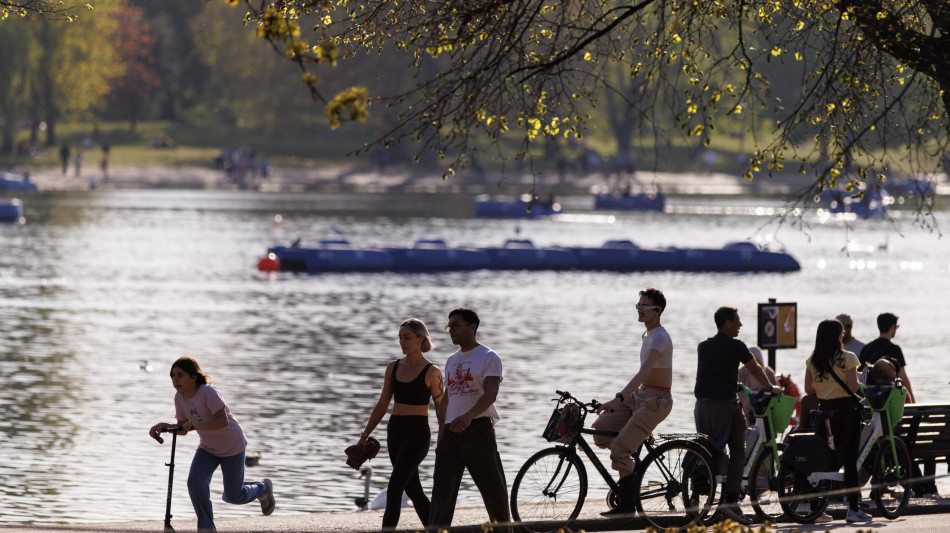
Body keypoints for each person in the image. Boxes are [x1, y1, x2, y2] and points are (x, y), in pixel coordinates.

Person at [149, 357, 275, 531]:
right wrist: (165, 426)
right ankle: (207, 528)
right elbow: (184, 428)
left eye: (180, 375)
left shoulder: (207, 392)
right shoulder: (179, 398)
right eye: (172, 376)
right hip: (208, 448)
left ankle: (263, 488)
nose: (175, 380)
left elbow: (221, 421)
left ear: (193, 377)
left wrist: (196, 425)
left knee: (233, 496)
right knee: (195, 483)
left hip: (232, 446)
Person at [592, 287, 673, 517]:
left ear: (657, 310)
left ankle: (627, 505)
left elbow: (644, 372)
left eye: (643, 307)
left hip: (656, 401)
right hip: (641, 396)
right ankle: (631, 468)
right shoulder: (647, 334)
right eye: (637, 306)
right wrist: (618, 403)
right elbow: (641, 379)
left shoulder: (660, 337)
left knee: (620, 449)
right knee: (600, 431)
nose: (639, 310)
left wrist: (617, 399)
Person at [694, 307, 780, 522]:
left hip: (702, 407)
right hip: (725, 406)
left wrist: (736, 383)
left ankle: (697, 488)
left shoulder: (703, 346)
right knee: (738, 452)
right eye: (737, 321)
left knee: (707, 449)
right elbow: (756, 369)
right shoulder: (736, 346)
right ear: (727, 323)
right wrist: (771, 388)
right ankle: (731, 503)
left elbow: (715, 372)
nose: (740, 325)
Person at [358, 318, 444, 530]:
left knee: (395, 487)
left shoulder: (432, 372)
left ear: (420, 339)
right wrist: (364, 436)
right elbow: (382, 405)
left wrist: (443, 441)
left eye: (407, 338)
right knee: (414, 491)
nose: (402, 342)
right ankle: (437, 529)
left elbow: (442, 413)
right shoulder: (393, 367)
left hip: (418, 434)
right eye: (400, 338)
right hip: (395, 431)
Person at [429, 308, 510, 532]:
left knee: (494, 495)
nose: (451, 330)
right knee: (441, 495)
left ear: (472, 327)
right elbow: (447, 399)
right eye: (449, 326)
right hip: (450, 434)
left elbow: (491, 393)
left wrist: (469, 416)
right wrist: (441, 434)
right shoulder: (451, 360)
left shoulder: (488, 357)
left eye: (456, 325)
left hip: (478, 431)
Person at [804, 319, 872, 523]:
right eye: (841, 333)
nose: (843, 335)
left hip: (824, 412)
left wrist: (826, 386)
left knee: (822, 460)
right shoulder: (849, 357)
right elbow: (853, 387)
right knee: (850, 460)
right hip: (845, 412)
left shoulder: (812, 360)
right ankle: (853, 509)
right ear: (837, 336)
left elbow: (808, 389)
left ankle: (816, 510)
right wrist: (857, 379)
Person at [859, 312, 915, 403]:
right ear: (892, 327)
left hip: (868, 396)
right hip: (887, 397)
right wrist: (913, 401)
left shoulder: (867, 348)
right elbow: (903, 377)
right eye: (896, 326)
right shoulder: (894, 349)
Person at [737, 346, 778, 423]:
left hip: (765, 405)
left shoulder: (768, 373)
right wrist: (749, 404)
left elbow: (775, 389)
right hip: (747, 406)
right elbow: (739, 392)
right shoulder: (741, 373)